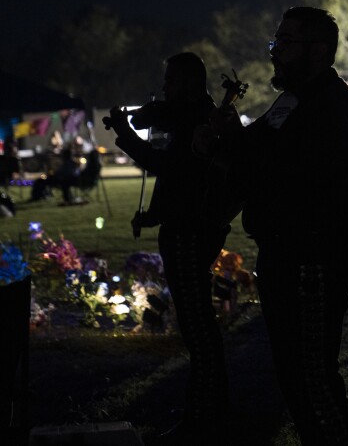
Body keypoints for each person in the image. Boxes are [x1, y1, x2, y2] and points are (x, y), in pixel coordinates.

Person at [208, 6, 348, 446]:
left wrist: (236, 149)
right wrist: (223, 139)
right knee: (292, 373)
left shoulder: (335, 105)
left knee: (312, 374)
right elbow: (252, 158)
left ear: (317, 50)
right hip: (282, 253)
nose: (275, 53)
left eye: (285, 43)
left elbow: (286, 175)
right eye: (274, 43)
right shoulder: (291, 101)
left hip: (314, 257)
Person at [103, 52, 235, 444]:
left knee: (197, 328)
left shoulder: (201, 120)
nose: (164, 89)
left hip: (190, 234)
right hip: (187, 227)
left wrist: (126, 135)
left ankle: (203, 414)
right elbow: (180, 180)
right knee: (199, 327)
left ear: (192, 84)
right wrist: (154, 214)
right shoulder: (190, 115)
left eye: (171, 82)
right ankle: (214, 406)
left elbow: (167, 166)